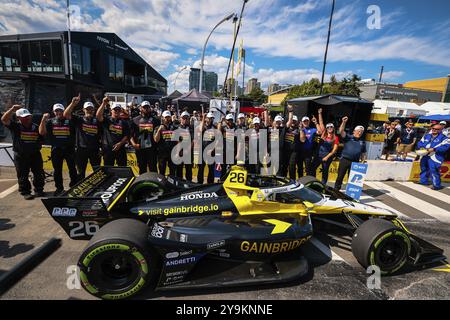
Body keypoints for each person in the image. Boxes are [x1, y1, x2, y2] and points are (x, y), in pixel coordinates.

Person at [1, 105, 45, 200]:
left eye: (28, 116)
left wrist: (43, 121)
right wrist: (12, 109)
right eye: (25, 117)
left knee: (38, 173)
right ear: (19, 118)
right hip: (21, 155)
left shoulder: (35, 126)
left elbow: (42, 134)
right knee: (22, 174)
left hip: (35, 154)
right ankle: (25, 192)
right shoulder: (15, 126)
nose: (28, 118)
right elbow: (4, 119)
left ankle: (39, 189)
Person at [39, 102, 78, 195]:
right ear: (53, 112)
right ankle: (59, 188)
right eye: (56, 111)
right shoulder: (50, 121)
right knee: (57, 170)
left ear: (63, 111)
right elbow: (41, 132)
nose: (58, 112)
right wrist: (43, 119)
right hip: (56, 150)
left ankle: (74, 186)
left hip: (69, 149)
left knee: (72, 169)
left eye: (60, 110)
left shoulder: (70, 120)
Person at [63, 95, 101, 180]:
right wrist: (72, 104)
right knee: (81, 172)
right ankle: (81, 191)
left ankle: (99, 188)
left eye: (91, 109)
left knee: (97, 171)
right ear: (84, 110)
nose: (90, 111)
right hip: (81, 150)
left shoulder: (97, 121)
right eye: (87, 109)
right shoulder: (79, 119)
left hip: (95, 150)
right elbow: (65, 114)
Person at [334, 117, 367, 191]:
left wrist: (363, 161)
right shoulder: (348, 137)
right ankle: (336, 191)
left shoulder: (363, 142)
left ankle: (350, 193)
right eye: (358, 131)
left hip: (355, 162)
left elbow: (363, 153)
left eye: (361, 132)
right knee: (340, 177)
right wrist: (344, 122)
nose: (360, 133)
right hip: (345, 160)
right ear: (354, 131)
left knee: (352, 179)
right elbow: (341, 131)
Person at [96, 97, 130, 166]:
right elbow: (98, 116)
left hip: (120, 149)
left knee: (122, 169)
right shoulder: (106, 120)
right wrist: (103, 103)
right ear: (111, 110)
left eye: (118, 110)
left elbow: (126, 136)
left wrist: (120, 144)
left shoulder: (124, 122)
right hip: (107, 149)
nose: (117, 111)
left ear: (121, 111)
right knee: (108, 169)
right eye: (115, 110)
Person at [416, 124, 450, 190]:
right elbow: (420, 142)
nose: (434, 130)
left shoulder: (444, 138)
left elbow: (446, 147)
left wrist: (434, 149)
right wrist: (421, 146)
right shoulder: (426, 136)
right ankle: (423, 181)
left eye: (437, 129)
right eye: (433, 128)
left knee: (434, 170)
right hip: (425, 155)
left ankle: (437, 185)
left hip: (436, 156)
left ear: (441, 130)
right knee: (423, 167)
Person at [130, 101, 159, 174]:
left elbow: (159, 134)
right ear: (141, 108)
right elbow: (130, 134)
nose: (146, 109)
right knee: (142, 168)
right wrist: (134, 144)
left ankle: (154, 184)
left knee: (153, 168)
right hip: (140, 149)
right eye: (144, 107)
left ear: (150, 108)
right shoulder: (135, 120)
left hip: (152, 149)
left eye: (147, 107)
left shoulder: (156, 120)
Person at [313, 108, 339, 184]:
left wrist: (326, 157)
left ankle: (323, 186)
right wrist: (319, 113)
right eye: (328, 127)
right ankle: (313, 182)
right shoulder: (323, 134)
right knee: (312, 169)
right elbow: (321, 122)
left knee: (324, 172)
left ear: (333, 128)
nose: (329, 128)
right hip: (318, 155)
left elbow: (334, 150)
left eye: (331, 127)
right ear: (326, 129)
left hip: (327, 157)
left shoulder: (336, 138)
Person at [154, 110, 177, 176]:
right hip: (162, 153)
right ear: (163, 118)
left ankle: (172, 184)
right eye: (166, 117)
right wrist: (159, 130)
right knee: (161, 171)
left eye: (168, 117)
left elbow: (178, 140)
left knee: (172, 172)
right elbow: (156, 140)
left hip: (172, 153)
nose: (167, 118)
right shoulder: (158, 127)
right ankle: (162, 185)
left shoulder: (174, 127)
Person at [197, 111, 217, 184]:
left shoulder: (215, 127)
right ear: (206, 119)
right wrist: (203, 118)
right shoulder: (203, 126)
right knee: (201, 169)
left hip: (211, 152)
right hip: (202, 151)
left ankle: (210, 184)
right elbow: (200, 129)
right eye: (210, 118)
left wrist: (213, 149)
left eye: (212, 118)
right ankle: (199, 184)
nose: (211, 120)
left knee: (211, 169)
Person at [282, 107, 302, 179]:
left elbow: (302, 139)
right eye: (292, 121)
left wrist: (301, 129)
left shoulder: (299, 130)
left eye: (294, 121)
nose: (293, 122)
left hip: (294, 151)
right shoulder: (286, 128)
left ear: (297, 122)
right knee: (284, 166)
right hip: (285, 150)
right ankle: (283, 180)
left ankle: (292, 181)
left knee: (292, 166)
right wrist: (290, 111)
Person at [175, 111, 194, 181]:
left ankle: (189, 186)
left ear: (189, 119)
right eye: (184, 118)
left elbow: (193, 141)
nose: (185, 119)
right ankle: (178, 187)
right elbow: (176, 141)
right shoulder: (176, 127)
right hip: (179, 153)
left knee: (189, 171)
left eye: (187, 118)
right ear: (180, 119)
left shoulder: (192, 128)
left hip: (188, 153)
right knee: (179, 172)